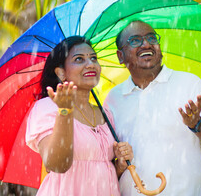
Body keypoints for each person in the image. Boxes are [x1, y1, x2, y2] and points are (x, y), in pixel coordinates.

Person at [103, 21, 201, 196]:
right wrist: (119, 165)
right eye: (135, 41)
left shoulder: (189, 84)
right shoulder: (113, 99)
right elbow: (106, 165)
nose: (146, 44)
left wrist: (197, 124)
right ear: (120, 56)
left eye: (151, 38)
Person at [25, 36, 133, 196]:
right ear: (61, 73)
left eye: (93, 58)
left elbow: (101, 174)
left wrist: (119, 167)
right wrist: (65, 112)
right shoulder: (48, 108)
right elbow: (57, 164)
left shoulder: (105, 113)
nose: (90, 64)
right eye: (79, 59)